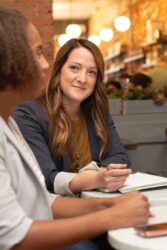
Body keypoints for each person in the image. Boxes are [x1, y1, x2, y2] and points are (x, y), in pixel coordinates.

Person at [0, 6, 150, 250]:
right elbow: (14, 237)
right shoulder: (26, 114)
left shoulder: (8, 124)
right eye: (38, 53)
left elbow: (44, 200)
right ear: (10, 61)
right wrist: (110, 213)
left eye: (91, 72)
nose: (45, 65)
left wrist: (108, 206)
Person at [14, 38, 131, 196]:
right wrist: (96, 178)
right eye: (75, 68)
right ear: (59, 70)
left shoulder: (98, 111)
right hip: (54, 212)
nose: (83, 79)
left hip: (95, 203)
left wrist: (94, 174)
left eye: (91, 72)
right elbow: (45, 177)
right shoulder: (29, 114)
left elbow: (120, 158)